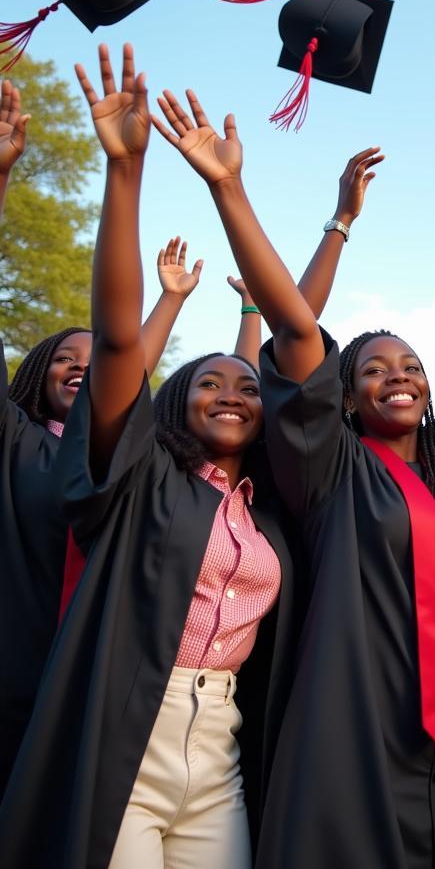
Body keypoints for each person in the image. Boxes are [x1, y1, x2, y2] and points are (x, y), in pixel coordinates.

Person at [150, 84, 435, 868]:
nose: (398, 377)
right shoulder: (328, 466)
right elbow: (294, 327)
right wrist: (230, 189)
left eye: (410, 365)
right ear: (341, 396)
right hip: (363, 727)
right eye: (373, 370)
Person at [0, 44, 295, 868]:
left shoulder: (266, 515)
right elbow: (120, 345)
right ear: (175, 403)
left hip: (222, 739)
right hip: (133, 721)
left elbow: (291, 341)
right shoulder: (143, 483)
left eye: (247, 385)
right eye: (210, 383)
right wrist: (124, 173)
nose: (234, 391)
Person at [0, 82, 202, 799]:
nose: (81, 368)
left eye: (93, 364)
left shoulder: (132, 461)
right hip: (16, 674)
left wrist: (170, 302)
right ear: (35, 372)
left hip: (108, 687)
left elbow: (123, 365)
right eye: (64, 358)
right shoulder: (17, 443)